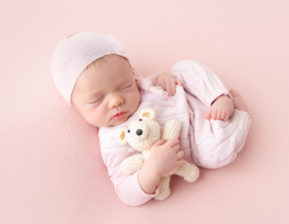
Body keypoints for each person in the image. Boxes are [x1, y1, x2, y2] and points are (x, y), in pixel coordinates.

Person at [51, 31, 251, 206]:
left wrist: (164, 78)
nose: (115, 101)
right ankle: (240, 113)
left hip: (196, 99)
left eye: (124, 86)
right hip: (200, 138)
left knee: (183, 68)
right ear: (75, 107)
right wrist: (152, 170)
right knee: (217, 153)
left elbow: (160, 82)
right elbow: (126, 194)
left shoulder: (144, 86)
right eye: (97, 99)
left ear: (133, 75)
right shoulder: (112, 141)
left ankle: (219, 96)